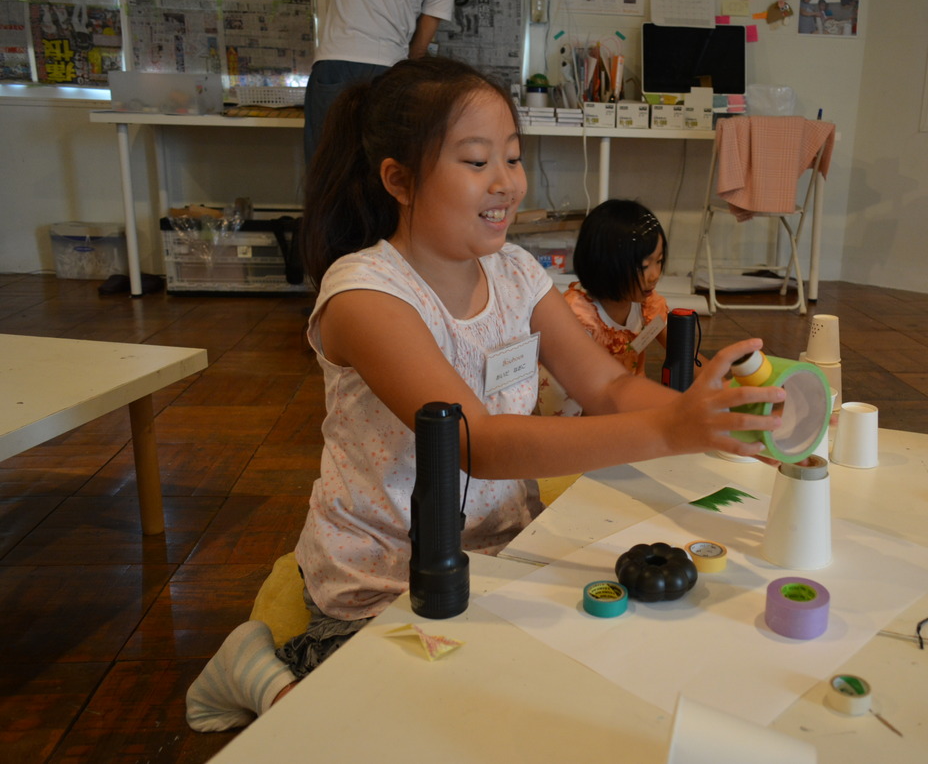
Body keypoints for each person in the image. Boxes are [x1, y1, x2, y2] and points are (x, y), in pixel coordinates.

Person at [185, 56, 786, 732]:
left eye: (513, 157)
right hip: (388, 575)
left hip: (506, 549)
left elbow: (610, 386)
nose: (506, 183)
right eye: (477, 162)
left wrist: (716, 413)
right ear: (399, 180)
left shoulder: (517, 272)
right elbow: (476, 442)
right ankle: (259, 672)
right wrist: (673, 429)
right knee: (401, 730)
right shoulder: (365, 296)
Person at [302, 0, 479, 166]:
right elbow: (418, 52)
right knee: (375, 166)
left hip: (332, 61)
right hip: (385, 68)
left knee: (324, 163)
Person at [537, 199, 671, 417]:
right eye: (644, 266)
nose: (655, 275)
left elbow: (686, 354)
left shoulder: (647, 303)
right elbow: (569, 404)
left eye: (660, 261)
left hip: (624, 406)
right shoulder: (577, 316)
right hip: (575, 416)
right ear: (606, 265)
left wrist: (720, 384)